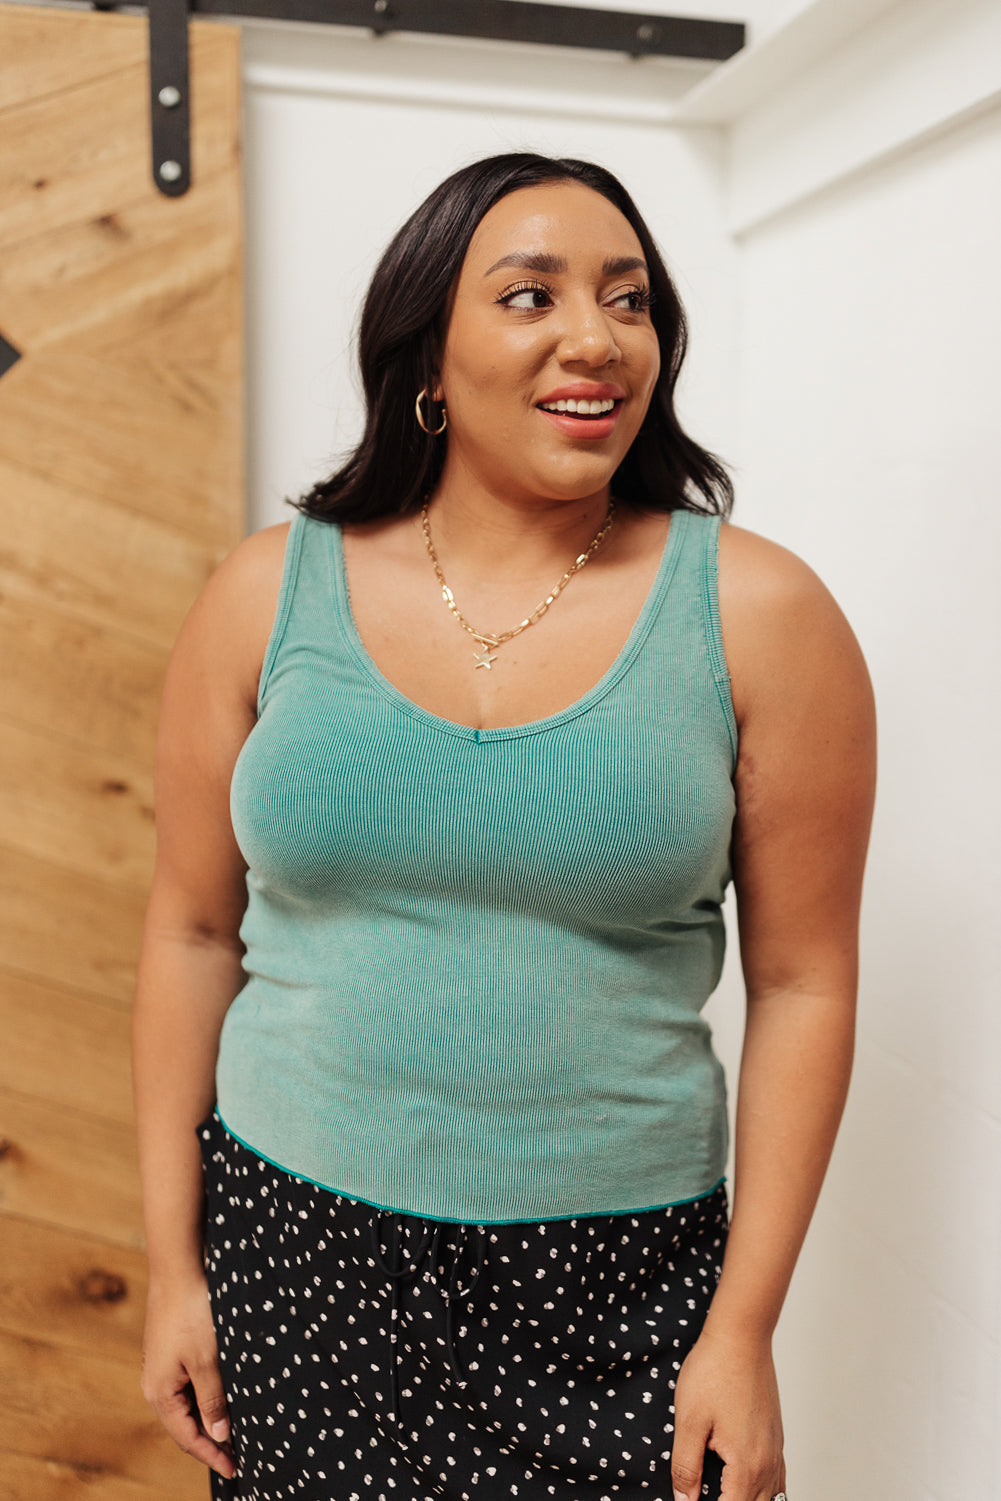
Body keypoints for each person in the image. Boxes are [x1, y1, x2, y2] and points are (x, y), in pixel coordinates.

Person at [134, 153, 876, 1501]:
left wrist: (744, 1329)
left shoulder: (761, 616)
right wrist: (175, 1268)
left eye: (628, 300)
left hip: (616, 1283)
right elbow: (190, 931)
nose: (595, 338)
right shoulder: (264, 592)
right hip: (294, 1255)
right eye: (531, 296)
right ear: (428, 355)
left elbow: (803, 982)